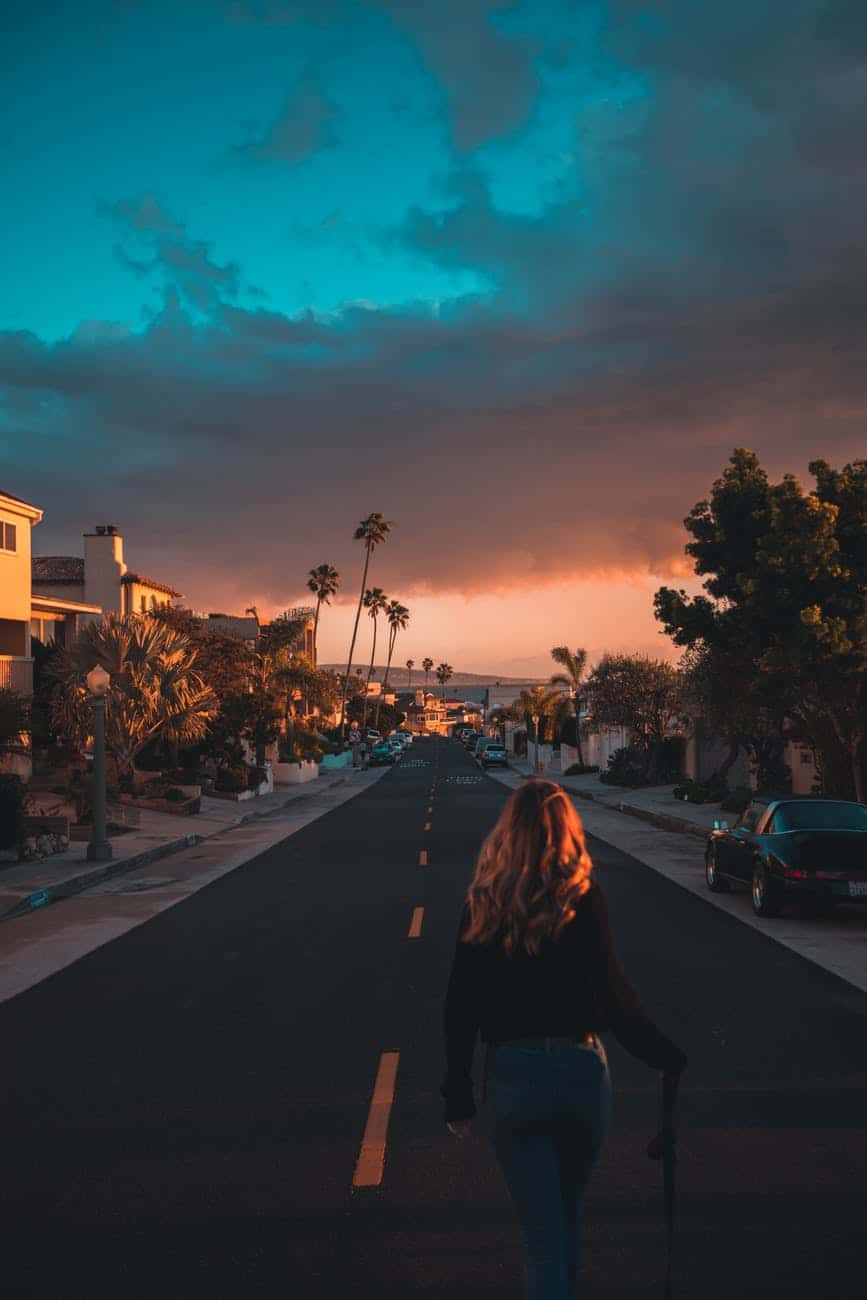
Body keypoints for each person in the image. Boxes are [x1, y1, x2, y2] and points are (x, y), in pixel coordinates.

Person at [442, 779, 686, 1299]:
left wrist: (457, 1093)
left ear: (510, 832)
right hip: (580, 1075)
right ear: (567, 831)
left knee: (542, 1241)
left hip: (512, 1079)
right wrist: (662, 1054)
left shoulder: (483, 903)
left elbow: (460, 1005)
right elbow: (616, 996)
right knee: (568, 1222)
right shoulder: (583, 897)